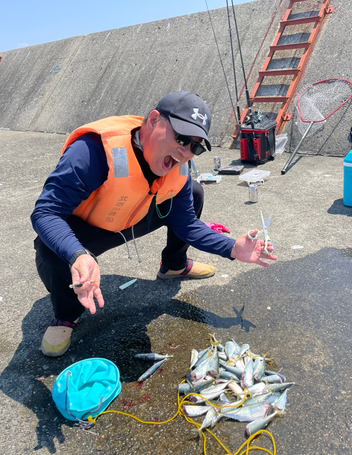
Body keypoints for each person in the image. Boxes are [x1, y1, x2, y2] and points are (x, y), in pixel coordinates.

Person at [31, 91, 277, 357]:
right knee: (52, 248)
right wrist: (77, 254)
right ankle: (67, 315)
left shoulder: (180, 166)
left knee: (194, 192)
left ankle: (174, 265)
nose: (185, 152)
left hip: (135, 217)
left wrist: (233, 248)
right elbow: (46, 212)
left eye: (194, 146)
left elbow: (187, 225)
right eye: (181, 138)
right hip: (88, 228)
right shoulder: (94, 150)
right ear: (153, 120)